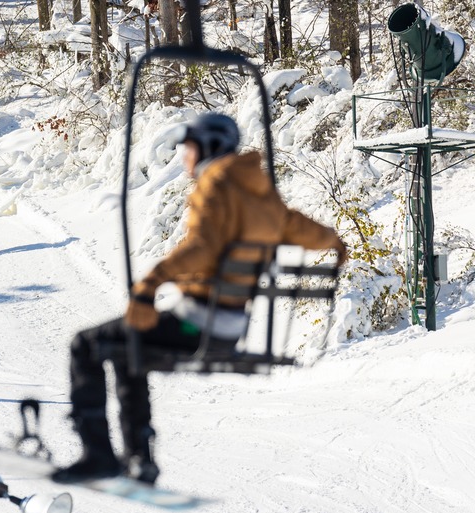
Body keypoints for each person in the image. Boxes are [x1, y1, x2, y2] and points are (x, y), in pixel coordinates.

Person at [52, 113, 347, 485]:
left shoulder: (215, 183)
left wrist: (149, 285)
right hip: (231, 328)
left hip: (195, 324)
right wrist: (333, 242)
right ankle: (139, 458)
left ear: (207, 147)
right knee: (128, 352)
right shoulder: (260, 192)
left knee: (87, 344)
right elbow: (301, 228)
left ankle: (98, 455)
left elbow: (202, 249)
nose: (184, 157)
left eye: (188, 148)